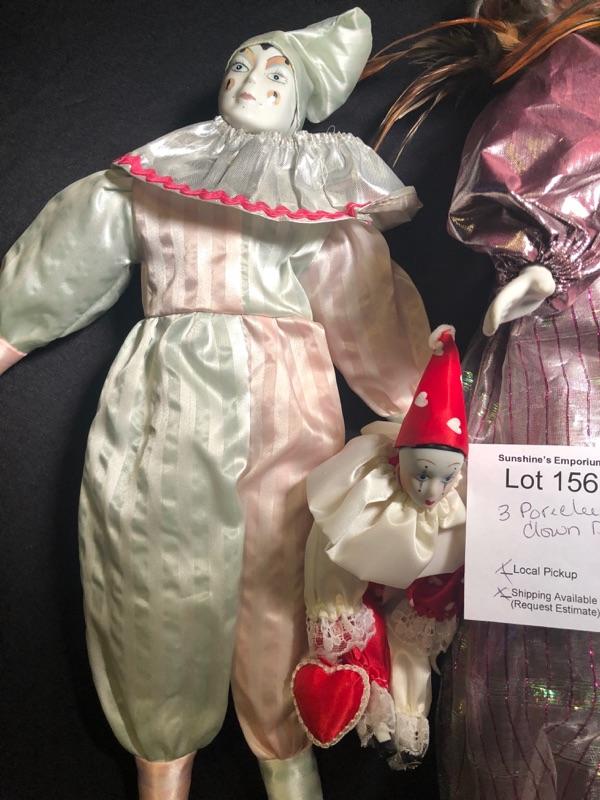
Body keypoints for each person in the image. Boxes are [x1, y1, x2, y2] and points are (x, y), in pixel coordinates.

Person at [0, 8, 431, 800]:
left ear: (304, 98)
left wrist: (421, 414)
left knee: (283, 572)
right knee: (151, 568)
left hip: (289, 401)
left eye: (276, 72)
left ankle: (286, 757)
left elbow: (364, 309)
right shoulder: (161, 173)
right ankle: (161, 764)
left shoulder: (316, 194)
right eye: (239, 66)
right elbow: (68, 256)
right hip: (168, 394)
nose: (250, 80)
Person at [364, 2, 600, 796]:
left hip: (562, 329)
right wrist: (550, 267)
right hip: (557, 342)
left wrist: (552, 266)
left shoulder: (570, 67)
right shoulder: (563, 71)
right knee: (538, 588)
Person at [293, 326, 467, 768]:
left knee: (416, 629)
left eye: (448, 478)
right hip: (361, 600)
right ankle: (369, 696)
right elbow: (334, 572)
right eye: (422, 473)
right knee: (351, 611)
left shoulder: (454, 514)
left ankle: (407, 714)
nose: (433, 491)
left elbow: (427, 608)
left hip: (411, 603)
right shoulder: (366, 492)